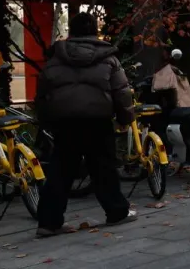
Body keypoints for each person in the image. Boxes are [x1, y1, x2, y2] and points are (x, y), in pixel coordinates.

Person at [34, 12, 138, 238]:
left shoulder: (55, 59)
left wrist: (45, 123)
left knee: (60, 172)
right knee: (104, 170)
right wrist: (125, 119)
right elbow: (121, 93)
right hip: (98, 121)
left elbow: (42, 95)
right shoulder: (109, 58)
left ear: (71, 32)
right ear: (94, 31)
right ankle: (116, 212)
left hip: (65, 123)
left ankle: (49, 223)